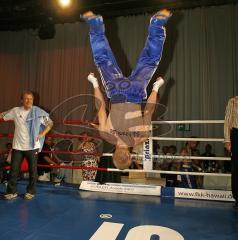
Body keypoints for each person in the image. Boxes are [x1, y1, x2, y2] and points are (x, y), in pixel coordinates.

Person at [82, 9, 172, 170]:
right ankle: (95, 26)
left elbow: (149, 111)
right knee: (103, 59)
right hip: (116, 92)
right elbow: (100, 107)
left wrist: (156, 88)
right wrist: (94, 83)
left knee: (150, 61)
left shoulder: (141, 138)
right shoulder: (106, 134)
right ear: (113, 154)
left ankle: (157, 25)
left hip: (136, 93)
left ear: (130, 155)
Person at [0, 91, 53, 200]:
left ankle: (30, 191)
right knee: (14, 170)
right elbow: (3, 116)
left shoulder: (38, 112)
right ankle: (11, 192)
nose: (28, 101)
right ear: (21, 100)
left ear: (33, 101)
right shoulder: (15, 111)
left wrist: (42, 134)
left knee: (33, 171)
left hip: (32, 147)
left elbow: (50, 124)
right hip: (17, 147)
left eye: (31, 99)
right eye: (26, 98)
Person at [224, 96, 238, 209]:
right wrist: (227, 140)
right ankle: (237, 198)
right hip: (236, 134)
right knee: (236, 167)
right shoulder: (233, 101)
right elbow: (227, 121)